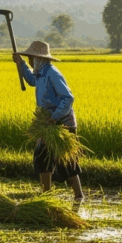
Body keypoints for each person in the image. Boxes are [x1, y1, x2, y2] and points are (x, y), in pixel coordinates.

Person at [12, 41, 83, 201]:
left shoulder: (52, 73)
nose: (30, 61)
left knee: (66, 161)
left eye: (30, 58)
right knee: (42, 157)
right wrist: (21, 64)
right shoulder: (41, 73)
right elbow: (31, 80)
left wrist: (55, 117)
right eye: (28, 58)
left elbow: (68, 97)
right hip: (48, 123)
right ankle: (47, 196)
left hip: (62, 124)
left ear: (39, 58)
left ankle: (78, 196)